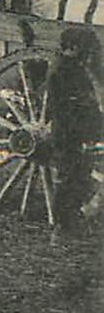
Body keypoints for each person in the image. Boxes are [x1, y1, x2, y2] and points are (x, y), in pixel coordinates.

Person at [47, 27, 102, 242]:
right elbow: (67, 108)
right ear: (72, 47)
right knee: (68, 177)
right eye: (82, 50)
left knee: (80, 176)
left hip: (77, 132)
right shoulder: (61, 70)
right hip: (68, 133)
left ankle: (72, 223)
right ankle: (61, 229)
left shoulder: (72, 67)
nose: (86, 55)